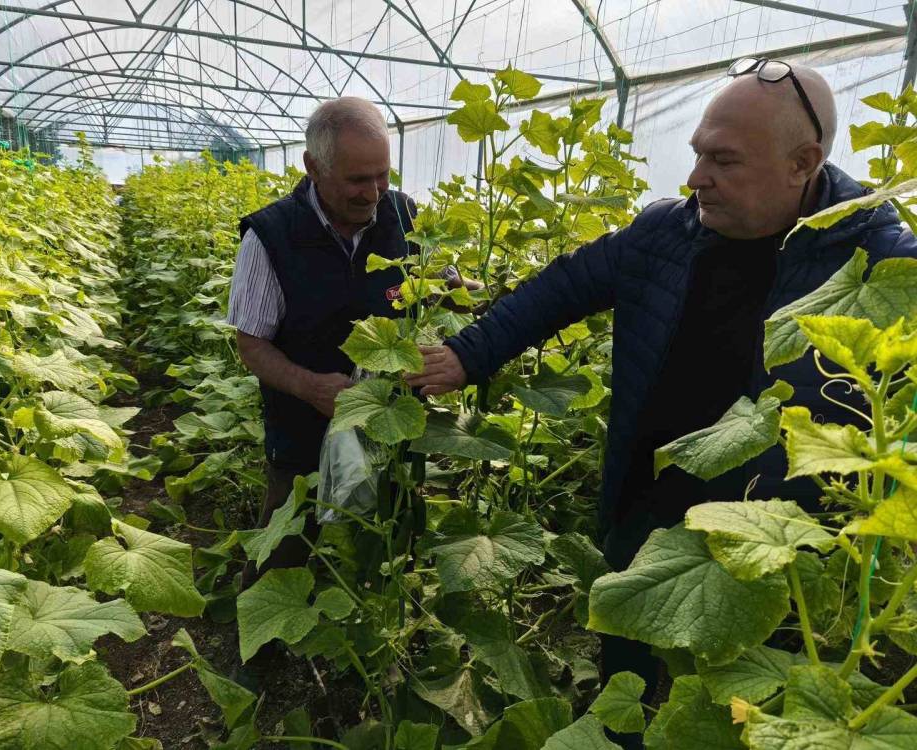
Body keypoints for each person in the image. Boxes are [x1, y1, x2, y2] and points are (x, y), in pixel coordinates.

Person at [405, 58, 917, 733]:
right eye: (698, 152)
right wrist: (467, 354)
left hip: (774, 543)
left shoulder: (880, 262)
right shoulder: (665, 232)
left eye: (724, 161)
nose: (696, 176)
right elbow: (563, 286)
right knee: (627, 670)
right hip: (647, 502)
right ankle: (620, 730)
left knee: (736, 708)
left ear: (803, 164)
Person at [228, 96, 415, 578]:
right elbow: (250, 344)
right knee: (289, 533)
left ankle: (373, 622)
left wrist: (458, 294)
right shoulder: (270, 236)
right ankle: (261, 637)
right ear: (313, 166)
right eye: (357, 179)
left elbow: (433, 287)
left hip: (390, 417)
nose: (374, 193)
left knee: (389, 530)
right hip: (303, 419)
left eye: (382, 175)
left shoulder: (405, 215)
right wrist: (311, 387)